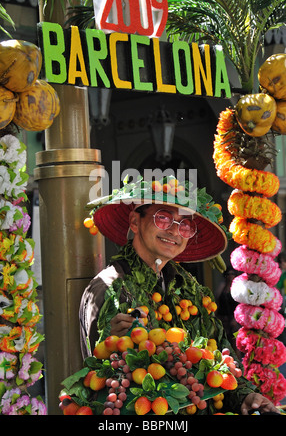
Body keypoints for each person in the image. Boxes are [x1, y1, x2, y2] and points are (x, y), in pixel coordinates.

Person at [79, 175, 279, 415]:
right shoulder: (110, 288)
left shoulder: (191, 288)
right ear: (135, 221)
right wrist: (111, 342)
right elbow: (103, 381)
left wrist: (245, 396)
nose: (175, 231)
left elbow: (220, 355)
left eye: (185, 224)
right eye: (163, 218)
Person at [216, 267, 241, 355]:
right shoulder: (222, 286)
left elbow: (239, 305)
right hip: (223, 319)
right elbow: (217, 300)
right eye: (228, 274)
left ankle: (239, 363)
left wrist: (235, 319)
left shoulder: (238, 287)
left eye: (232, 274)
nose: (230, 276)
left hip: (234, 320)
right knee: (224, 343)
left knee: (236, 344)